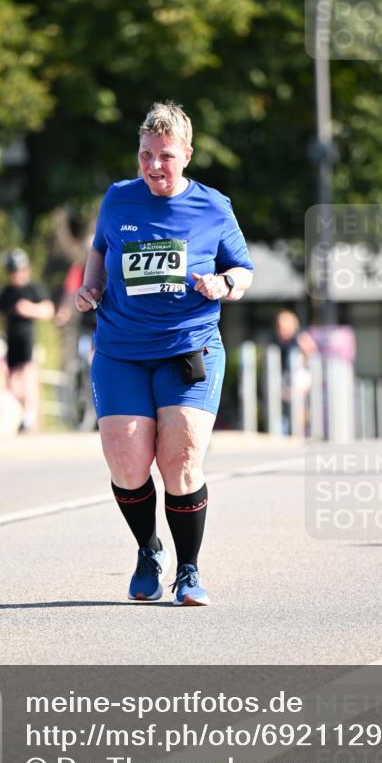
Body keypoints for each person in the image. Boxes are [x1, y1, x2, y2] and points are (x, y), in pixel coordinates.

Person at [75, 102, 253, 606]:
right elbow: (99, 248)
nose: (155, 166)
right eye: (146, 155)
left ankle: (189, 570)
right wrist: (90, 288)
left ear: (187, 156)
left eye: (166, 156)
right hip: (121, 350)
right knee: (128, 461)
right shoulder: (118, 200)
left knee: (181, 459)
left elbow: (244, 269)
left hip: (188, 348)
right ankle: (148, 550)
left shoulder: (213, 207)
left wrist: (222, 284)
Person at [0, 249, 55, 432]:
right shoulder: (7, 291)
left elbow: (48, 310)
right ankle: (26, 414)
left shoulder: (33, 288)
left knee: (29, 376)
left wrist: (30, 309)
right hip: (12, 341)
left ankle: (29, 417)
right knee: (13, 383)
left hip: (28, 339)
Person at [273, 309, 318, 436]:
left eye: (283, 324)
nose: (280, 328)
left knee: (300, 406)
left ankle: (302, 432)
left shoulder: (300, 337)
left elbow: (312, 353)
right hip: (284, 378)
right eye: (279, 325)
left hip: (299, 376)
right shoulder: (277, 341)